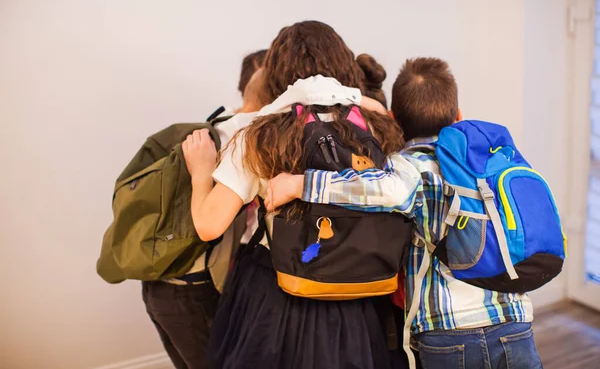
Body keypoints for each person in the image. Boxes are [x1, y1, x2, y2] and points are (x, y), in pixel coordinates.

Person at [266, 58, 542, 369]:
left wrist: (300, 183)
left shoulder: (409, 166)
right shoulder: (485, 159)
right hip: (515, 318)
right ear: (458, 116)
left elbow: (382, 190)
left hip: (450, 330)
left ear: (394, 120)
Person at [181, 20, 403, 369]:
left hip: (278, 293)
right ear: (344, 67)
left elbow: (209, 226)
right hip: (358, 288)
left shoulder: (260, 134)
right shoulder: (377, 126)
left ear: (277, 75)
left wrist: (200, 172)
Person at [142, 49, 267, 369]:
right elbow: (210, 225)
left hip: (160, 282)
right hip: (192, 289)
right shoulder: (248, 139)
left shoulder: (212, 128)